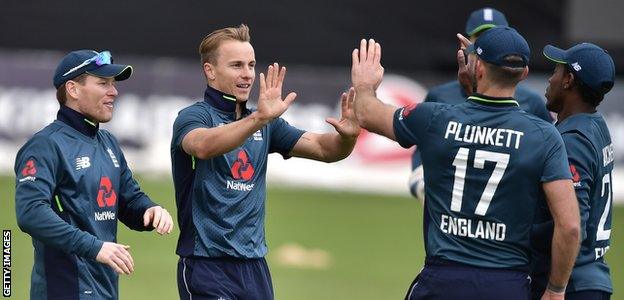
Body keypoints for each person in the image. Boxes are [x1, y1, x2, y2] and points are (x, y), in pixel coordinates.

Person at [350, 27, 580, 300]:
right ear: (525, 74)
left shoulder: (434, 119)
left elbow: (365, 112)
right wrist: (555, 289)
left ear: (478, 67)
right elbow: (570, 226)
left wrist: (365, 84)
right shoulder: (544, 136)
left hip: (442, 281)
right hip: (507, 284)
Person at [171, 24, 360, 300]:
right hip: (206, 264)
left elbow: (324, 149)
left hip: (254, 267)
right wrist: (259, 118)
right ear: (210, 71)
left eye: (251, 65)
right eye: (236, 65)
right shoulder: (192, 117)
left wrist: (348, 137)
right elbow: (202, 146)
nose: (247, 74)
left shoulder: (266, 124)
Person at [14, 50, 174, 299]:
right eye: (103, 83)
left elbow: (128, 199)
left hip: (105, 290)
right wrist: (94, 247)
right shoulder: (46, 145)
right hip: (64, 291)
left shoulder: (108, 142)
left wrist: (149, 210)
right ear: (73, 89)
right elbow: (31, 213)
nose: (114, 92)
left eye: (113, 84)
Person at [409, 7, 552, 203]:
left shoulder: (532, 102)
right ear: (467, 43)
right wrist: (420, 180)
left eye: (495, 38)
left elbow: (551, 154)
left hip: (508, 208)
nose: (488, 47)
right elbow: (423, 146)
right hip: (451, 211)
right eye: (481, 39)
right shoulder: (440, 96)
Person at [530, 43, 616, 300]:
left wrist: (555, 288)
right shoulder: (595, 126)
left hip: (570, 285)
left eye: (556, 70)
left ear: (568, 80)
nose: (550, 78)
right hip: (590, 278)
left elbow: (571, 225)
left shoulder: (572, 142)